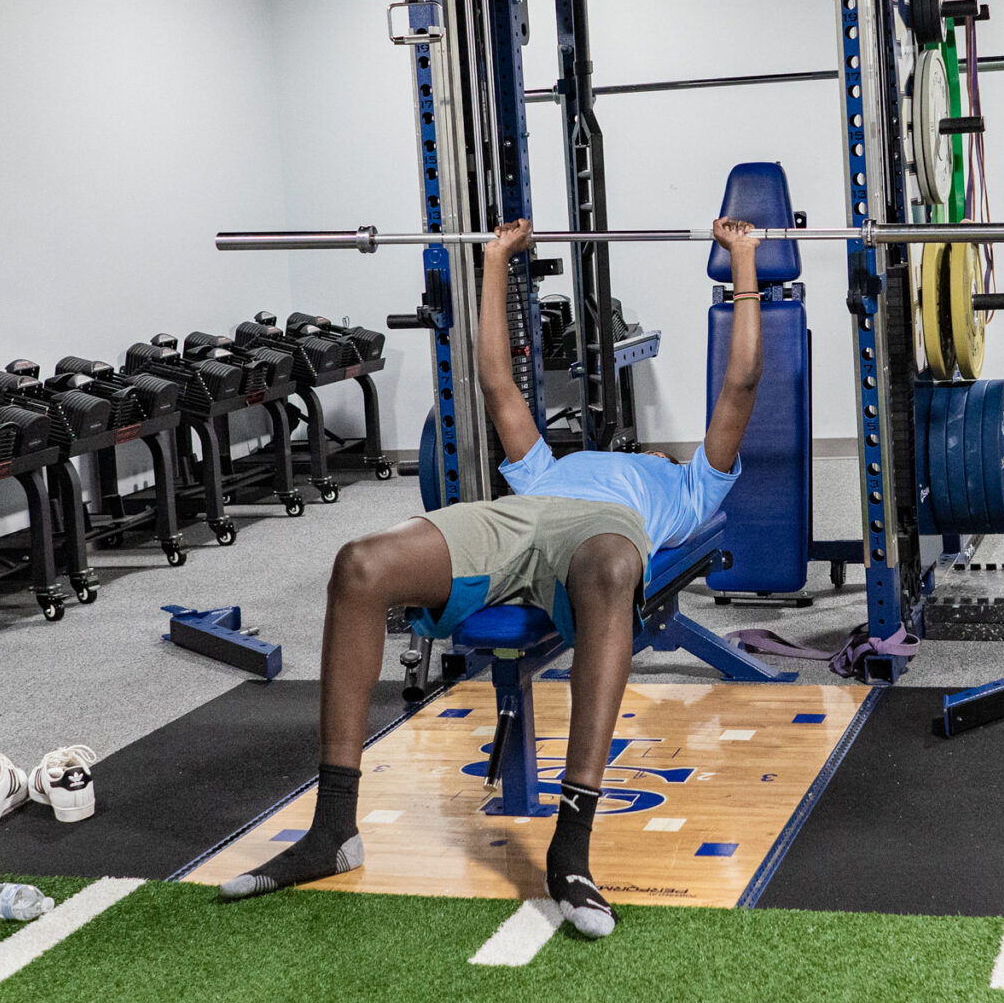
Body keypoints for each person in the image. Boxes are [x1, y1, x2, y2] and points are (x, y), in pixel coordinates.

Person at [221, 216, 765, 938]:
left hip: (604, 534)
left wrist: (744, 263)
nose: (646, 450)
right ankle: (332, 831)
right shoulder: (548, 464)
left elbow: (741, 383)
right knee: (359, 564)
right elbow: (495, 380)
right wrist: (495, 260)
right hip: (522, 513)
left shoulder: (692, 485)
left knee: (610, 566)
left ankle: (571, 849)